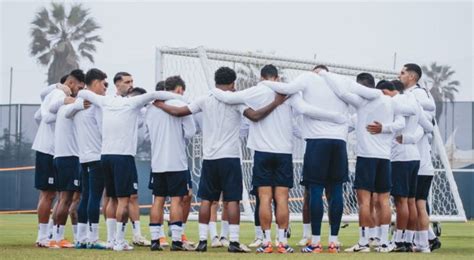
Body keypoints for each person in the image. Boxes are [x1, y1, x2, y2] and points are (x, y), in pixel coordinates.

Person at [211, 64, 347, 254]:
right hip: (284, 152)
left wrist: (213, 88)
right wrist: (335, 117)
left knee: (264, 198)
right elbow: (305, 110)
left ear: (262, 77)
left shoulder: (256, 90)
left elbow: (228, 97)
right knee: (282, 199)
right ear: (277, 78)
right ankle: (282, 242)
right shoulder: (289, 94)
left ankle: (266, 243)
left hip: (262, 151)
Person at [77, 82, 183, 251]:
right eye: (128, 82)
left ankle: (112, 240)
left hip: (105, 156)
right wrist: (180, 97)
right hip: (123, 157)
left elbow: (85, 93)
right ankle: (119, 241)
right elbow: (156, 95)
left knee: (111, 198)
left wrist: (65, 92)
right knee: (123, 200)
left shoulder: (105, 101)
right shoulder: (132, 102)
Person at [32, 70, 85, 248]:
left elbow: (37, 116)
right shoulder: (58, 93)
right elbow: (46, 117)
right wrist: (65, 110)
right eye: (79, 86)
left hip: (54, 150)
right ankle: (42, 237)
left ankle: (50, 235)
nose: (79, 91)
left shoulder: (56, 93)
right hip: (48, 149)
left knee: (54, 194)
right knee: (49, 194)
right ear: (70, 84)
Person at [146, 75, 196, 251]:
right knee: (176, 200)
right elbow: (190, 132)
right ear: (179, 89)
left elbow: (147, 134)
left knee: (158, 200)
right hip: (176, 161)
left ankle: (155, 240)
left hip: (157, 162)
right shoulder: (180, 105)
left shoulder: (151, 109)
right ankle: (176, 241)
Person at [66, 68, 108, 249]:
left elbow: (67, 113)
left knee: (85, 197)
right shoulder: (94, 105)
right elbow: (103, 130)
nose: (106, 89)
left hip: (83, 158)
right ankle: (93, 238)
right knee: (94, 197)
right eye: (105, 84)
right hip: (97, 157)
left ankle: (81, 238)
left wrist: (76, 103)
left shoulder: (78, 104)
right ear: (96, 83)